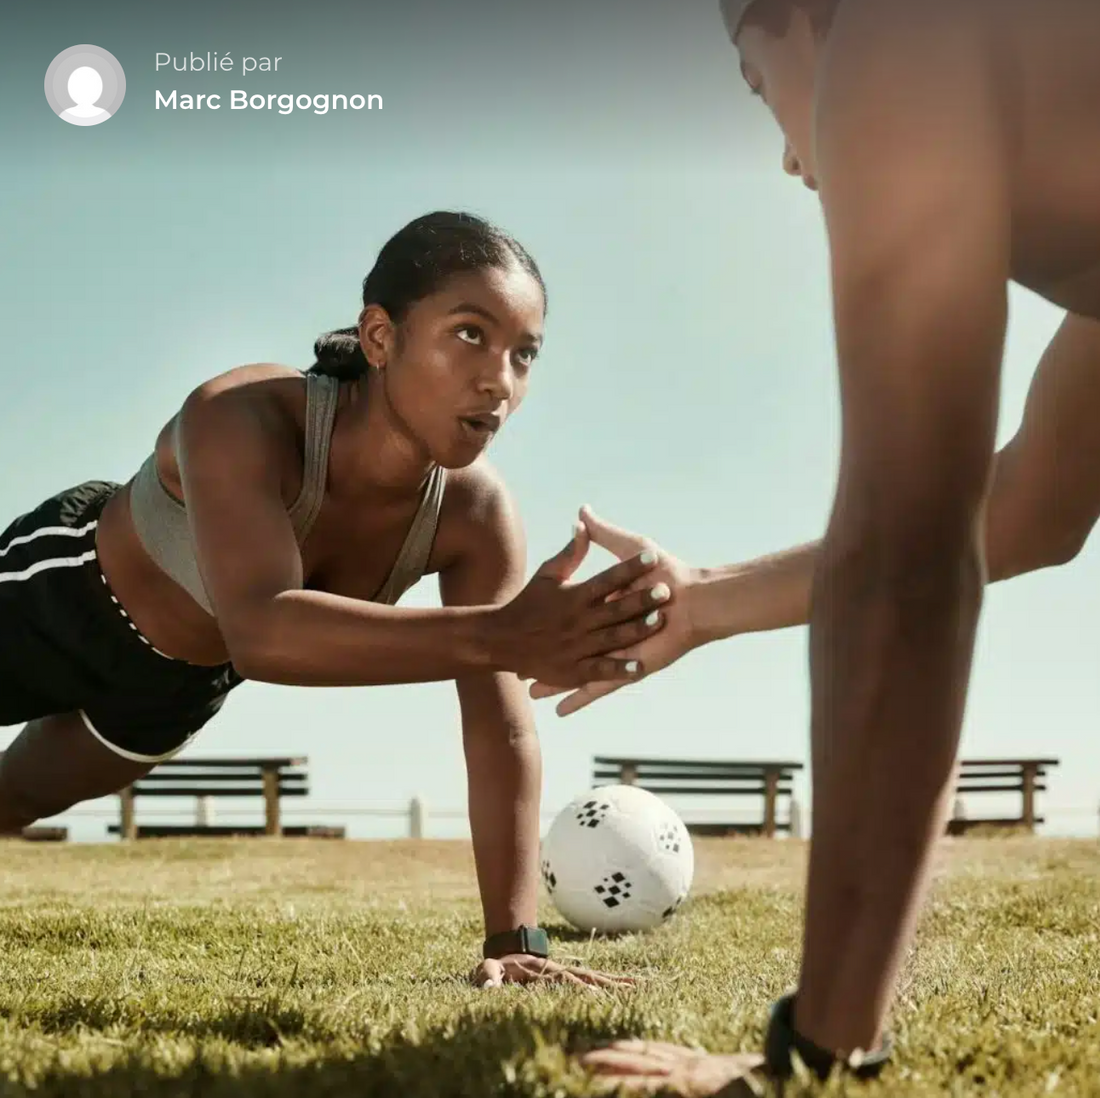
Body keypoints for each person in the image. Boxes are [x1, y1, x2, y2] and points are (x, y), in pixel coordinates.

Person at [549, 0, 1100, 1089]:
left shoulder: (898, 36)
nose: (790, 156)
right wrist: (701, 600)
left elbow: (902, 560)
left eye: (760, 90)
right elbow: (1035, 505)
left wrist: (813, 1051)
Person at [0, 210, 672, 990]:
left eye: (525, 354)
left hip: (174, 688)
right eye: (469, 335)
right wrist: (504, 634)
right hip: (63, 593)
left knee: (10, 805)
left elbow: (500, 726)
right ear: (381, 338)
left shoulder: (477, 517)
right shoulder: (240, 414)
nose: (500, 379)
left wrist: (513, 940)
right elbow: (263, 628)